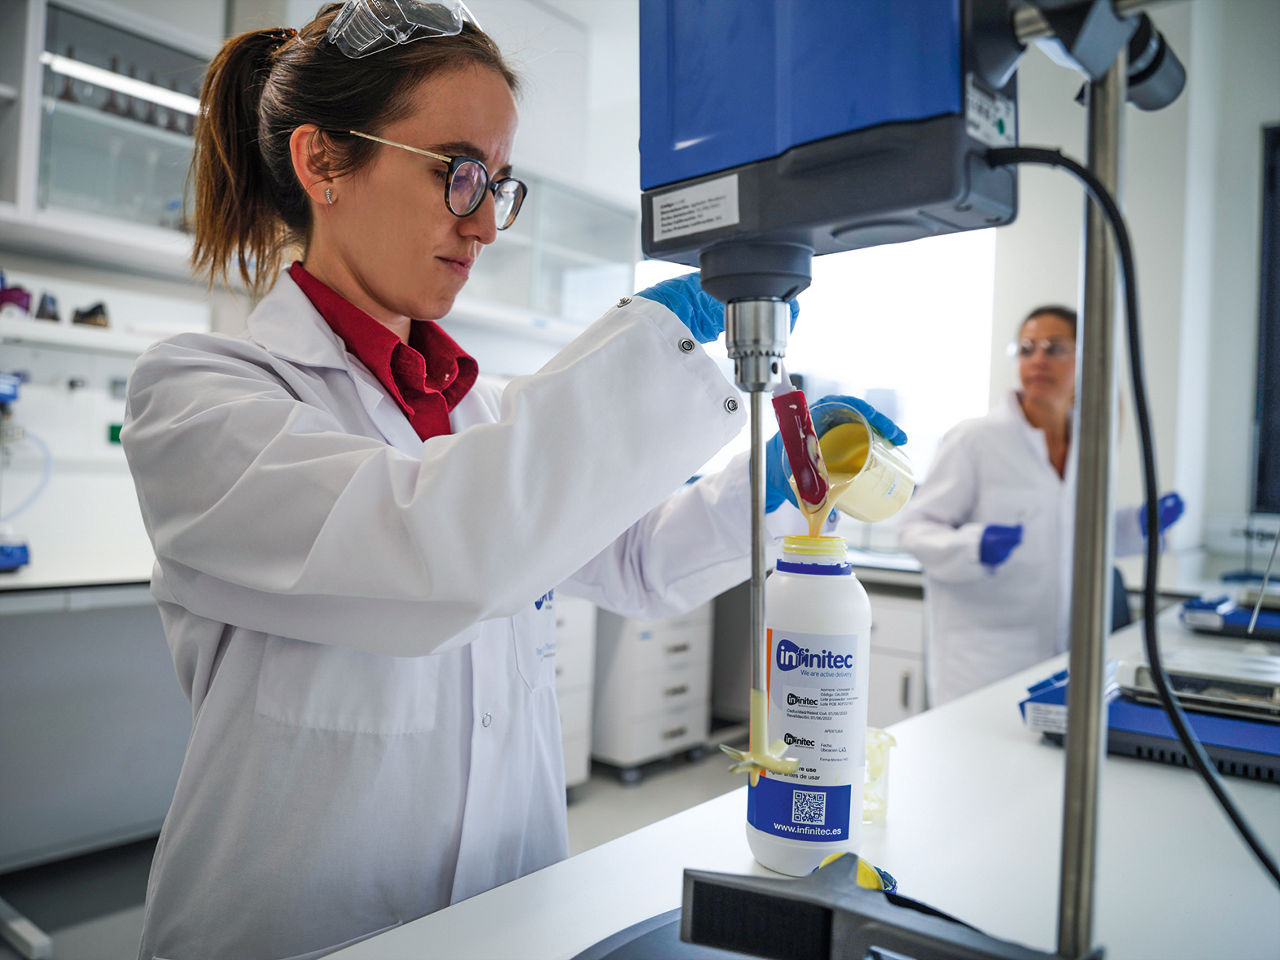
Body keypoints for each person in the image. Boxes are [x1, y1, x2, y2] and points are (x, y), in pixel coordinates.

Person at [120, 6, 902, 959]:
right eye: (457, 174)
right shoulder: (196, 397)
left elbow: (639, 565)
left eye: (498, 184)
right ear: (323, 162)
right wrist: (654, 340)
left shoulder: (477, 412)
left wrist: (774, 484)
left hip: (511, 916)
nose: (487, 223)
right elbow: (435, 551)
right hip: (297, 933)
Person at [896, 305, 1183, 707]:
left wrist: (1138, 525)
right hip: (983, 660)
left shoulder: (1089, 444)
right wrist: (973, 546)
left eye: (1055, 348)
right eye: (1027, 348)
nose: (1038, 360)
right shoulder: (976, 439)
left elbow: (1074, 534)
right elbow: (913, 528)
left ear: (1088, 358)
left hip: (1064, 650)